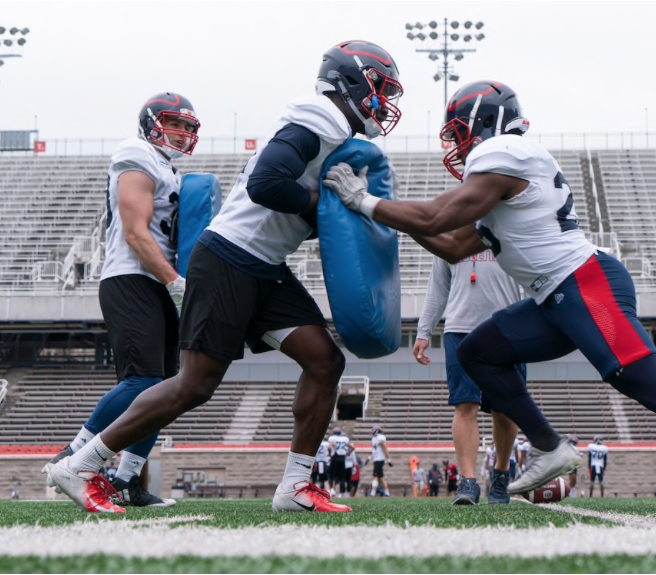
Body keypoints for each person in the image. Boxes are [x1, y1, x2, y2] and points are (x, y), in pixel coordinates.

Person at [323, 79, 656, 512]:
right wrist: (375, 212)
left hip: (585, 283)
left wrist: (365, 201)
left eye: (458, 130)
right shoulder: (505, 178)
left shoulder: (507, 154)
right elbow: (451, 246)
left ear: (483, 122)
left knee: (651, 387)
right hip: (558, 296)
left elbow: (434, 219)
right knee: (478, 353)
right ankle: (548, 445)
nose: (456, 142)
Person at [48, 41, 404, 514]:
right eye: (380, 89)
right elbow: (267, 184)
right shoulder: (320, 117)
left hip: (265, 265)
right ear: (351, 82)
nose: (384, 102)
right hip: (231, 258)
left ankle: (295, 487)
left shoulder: (336, 133)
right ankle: (81, 465)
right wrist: (324, 207)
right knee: (193, 384)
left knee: (324, 361)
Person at [42, 92, 199, 510]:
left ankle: (128, 480)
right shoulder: (137, 152)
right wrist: (175, 283)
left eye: (188, 127)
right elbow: (134, 232)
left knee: (167, 390)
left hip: (157, 282)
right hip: (131, 277)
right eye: (175, 123)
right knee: (143, 381)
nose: (182, 133)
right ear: (151, 123)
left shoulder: (170, 169)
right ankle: (71, 457)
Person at [413, 246, 522, 506]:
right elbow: (437, 291)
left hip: (506, 328)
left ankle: (501, 475)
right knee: (464, 405)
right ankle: (468, 482)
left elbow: (533, 281)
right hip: (460, 330)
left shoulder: (509, 230)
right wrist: (423, 331)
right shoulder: (448, 236)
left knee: (505, 410)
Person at [365, 426, 392, 497]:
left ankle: (373, 492)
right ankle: (386, 492)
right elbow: (375, 451)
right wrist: (369, 458)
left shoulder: (380, 438)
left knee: (376, 476)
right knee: (380, 477)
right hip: (377, 459)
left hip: (379, 459)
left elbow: (385, 448)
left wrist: (388, 459)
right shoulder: (375, 439)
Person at [328, 427, 354, 498]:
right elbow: (353, 448)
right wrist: (348, 453)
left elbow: (330, 447)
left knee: (331, 475)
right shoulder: (344, 439)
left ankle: (332, 489)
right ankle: (342, 493)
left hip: (335, 457)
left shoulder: (333, 439)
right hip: (342, 458)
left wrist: (330, 454)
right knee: (342, 477)